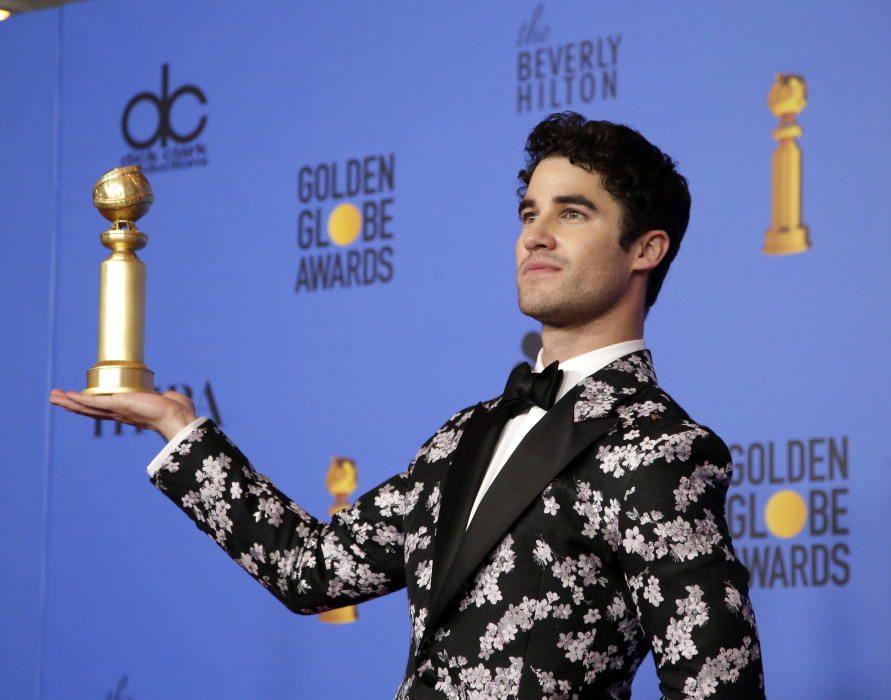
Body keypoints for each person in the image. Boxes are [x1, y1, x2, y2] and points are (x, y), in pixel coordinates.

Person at [50, 112, 765, 699]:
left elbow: (719, 685)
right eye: (528, 212)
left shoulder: (661, 447)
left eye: (572, 213)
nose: (534, 234)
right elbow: (314, 570)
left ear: (646, 248)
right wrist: (180, 428)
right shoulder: (467, 434)